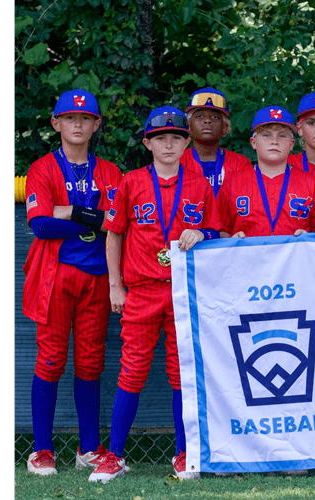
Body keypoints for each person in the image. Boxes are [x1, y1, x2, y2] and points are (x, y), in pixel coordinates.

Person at [88, 106, 221, 483]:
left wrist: (203, 233)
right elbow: (114, 234)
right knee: (132, 370)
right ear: (147, 143)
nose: (169, 144)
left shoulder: (199, 184)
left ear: (186, 143)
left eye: (176, 138)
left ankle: (184, 453)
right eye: (160, 138)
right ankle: (114, 455)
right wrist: (115, 285)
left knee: (182, 372)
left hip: (182, 291)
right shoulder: (130, 182)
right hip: (143, 289)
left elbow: (217, 230)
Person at [23, 89, 123, 475]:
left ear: (96, 124)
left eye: (85, 118)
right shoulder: (42, 168)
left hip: (97, 276)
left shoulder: (110, 172)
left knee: (90, 362)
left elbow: (115, 223)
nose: (77, 124)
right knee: (50, 359)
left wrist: (69, 211)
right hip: (56, 275)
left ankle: (89, 447)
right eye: (69, 118)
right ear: (56, 123)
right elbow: (42, 226)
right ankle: (42, 450)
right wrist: (90, 216)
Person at [216, 105, 315, 239]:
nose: (274, 141)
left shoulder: (310, 183)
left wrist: (310, 238)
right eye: (266, 135)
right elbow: (219, 230)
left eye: (282, 136)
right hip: (247, 253)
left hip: (296, 253)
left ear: (291, 144)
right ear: (253, 142)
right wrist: (230, 240)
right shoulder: (233, 182)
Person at [180, 87, 253, 196]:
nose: (207, 120)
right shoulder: (177, 162)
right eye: (199, 116)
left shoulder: (239, 164)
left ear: (225, 127)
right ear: (188, 125)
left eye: (215, 117)